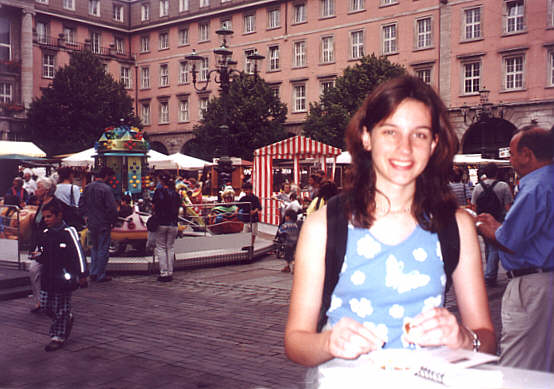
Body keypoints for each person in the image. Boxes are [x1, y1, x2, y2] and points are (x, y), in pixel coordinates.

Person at [284, 76, 495, 383]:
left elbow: (485, 338)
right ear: (367, 137)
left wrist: (465, 338)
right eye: (390, 132)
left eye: (419, 135)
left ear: (434, 143)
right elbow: (296, 342)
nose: (405, 148)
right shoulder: (323, 226)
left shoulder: (456, 225)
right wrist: (328, 342)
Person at [477, 126, 554, 372]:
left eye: (511, 154)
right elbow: (531, 233)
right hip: (545, 279)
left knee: (518, 367)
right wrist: (498, 226)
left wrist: (479, 225)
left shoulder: (535, 187)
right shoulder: (547, 181)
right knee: (542, 364)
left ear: (527, 155)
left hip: (532, 286)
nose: (509, 160)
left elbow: (508, 241)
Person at [31, 200, 87, 352]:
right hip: (47, 277)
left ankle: (58, 336)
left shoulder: (69, 232)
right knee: (45, 306)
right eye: (45, 217)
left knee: (61, 307)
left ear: (59, 216)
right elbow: (43, 254)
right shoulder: (45, 233)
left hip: (63, 278)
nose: (46, 220)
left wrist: (82, 274)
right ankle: (65, 320)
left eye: (49, 216)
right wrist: (37, 256)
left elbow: (78, 254)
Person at [471, 163, 513, 287]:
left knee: (488, 245)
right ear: (496, 173)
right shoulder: (503, 186)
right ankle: (490, 275)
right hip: (497, 220)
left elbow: (473, 206)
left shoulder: (478, 187)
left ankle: (490, 272)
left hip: (482, 220)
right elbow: (508, 207)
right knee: (494, 246)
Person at [79, 166, 118, 282]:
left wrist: (85, 216)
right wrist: (112, 221)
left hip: (90, 224)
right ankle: (100, 274)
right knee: (103, 249)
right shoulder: (106, 189)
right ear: (106, 176)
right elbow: (112, 208)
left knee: (93, 248)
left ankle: (93, 271)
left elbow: (81, 204)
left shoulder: (87, 187)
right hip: (103, 224)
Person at [28, 176, 61, 313]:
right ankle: (41, 300)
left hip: (50, 243)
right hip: (40, 242)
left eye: (39, 187)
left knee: (37, 269)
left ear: (47, 190)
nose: (37, 190)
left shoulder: (54, 204)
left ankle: (45, 300)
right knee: (35, 270)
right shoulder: (42, 204)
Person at [151, 173, 181, 282]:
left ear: (161, 181)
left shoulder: (159, 192)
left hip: (161, 222)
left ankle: (163, 273)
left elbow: (154, 206)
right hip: (173, 224)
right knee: (170, 247)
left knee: (161, 248)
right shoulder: (176, 193)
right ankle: (170, 272)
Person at [277, 209, 300, 273]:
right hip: (295, 242)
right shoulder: (295, 225)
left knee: (287, 256)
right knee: (293, 254)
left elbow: (280, 231)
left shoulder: (285, 225)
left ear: (288, 217)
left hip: (288, 242)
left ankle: (288, 267)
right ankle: (292, 267)